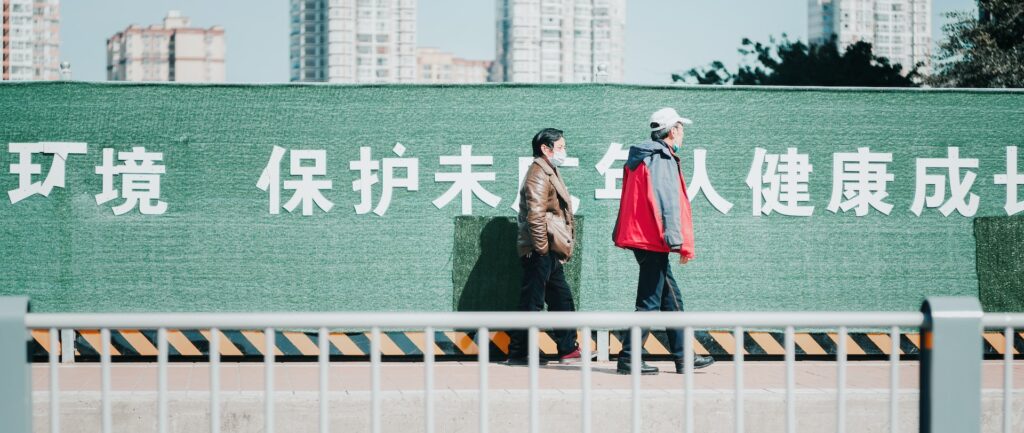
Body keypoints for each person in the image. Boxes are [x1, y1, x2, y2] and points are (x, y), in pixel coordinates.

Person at [611, 108, 716, 375]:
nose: (683, 133)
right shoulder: (661, 157)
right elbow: (667, 202)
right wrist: (677, 241)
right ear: (672, 131)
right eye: (681, 128)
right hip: (652, 239)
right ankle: (629, 359)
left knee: (669, 298)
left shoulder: (642, 157)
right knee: (648, 302)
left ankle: (683, 357)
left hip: (643, 236)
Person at [506, 128, 583, 365]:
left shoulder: (549, 171)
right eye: (560, 147)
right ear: (545, 149)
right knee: (533, 301)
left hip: (548, 249)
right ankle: (520, 351)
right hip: (541, 249)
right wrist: (541, 250)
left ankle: (568, 348)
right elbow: (536, 215)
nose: (564, 151)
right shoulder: (538, 173)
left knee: (561, 298)